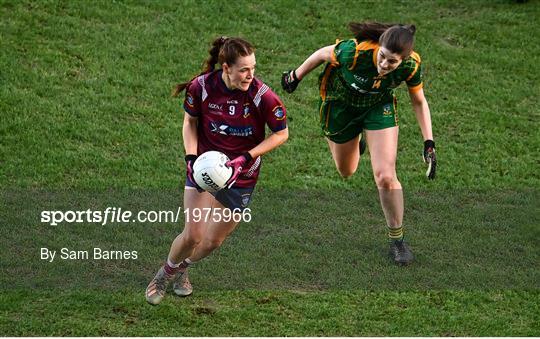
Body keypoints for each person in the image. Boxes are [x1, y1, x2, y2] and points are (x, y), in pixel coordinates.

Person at [146, 36, 289, 305]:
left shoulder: (262, 96)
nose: (250, 75)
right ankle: (163, 275)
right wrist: (190, 157)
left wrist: (246, 157)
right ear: (226, 68)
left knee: (211, 242)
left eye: (253, 68)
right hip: (203, 170)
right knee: (193, 235)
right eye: (244, 69)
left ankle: (183, 268)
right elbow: (190, 122)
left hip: (242, 176)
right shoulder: (201, 87)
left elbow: (281, 134)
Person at [281, 22, 436, 265]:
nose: (384, 65)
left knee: (385, 176)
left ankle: (398, 241)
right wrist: (295, 75)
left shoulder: (411, 65)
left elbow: (418, 101)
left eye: (392, 62)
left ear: (403, 60)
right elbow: (323, 53)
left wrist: (429, 142)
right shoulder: (355, 52)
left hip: (377, 107)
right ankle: (358, 140)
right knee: (346, 170)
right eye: (383, 57)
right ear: (379, 47)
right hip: (340, 105)